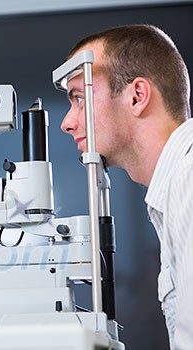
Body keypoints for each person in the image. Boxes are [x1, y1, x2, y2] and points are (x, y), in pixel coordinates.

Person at [59, 24, 192, 349]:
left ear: (137, 96)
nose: (67, 122)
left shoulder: (189, 180)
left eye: (80, 98)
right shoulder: (174, 187)